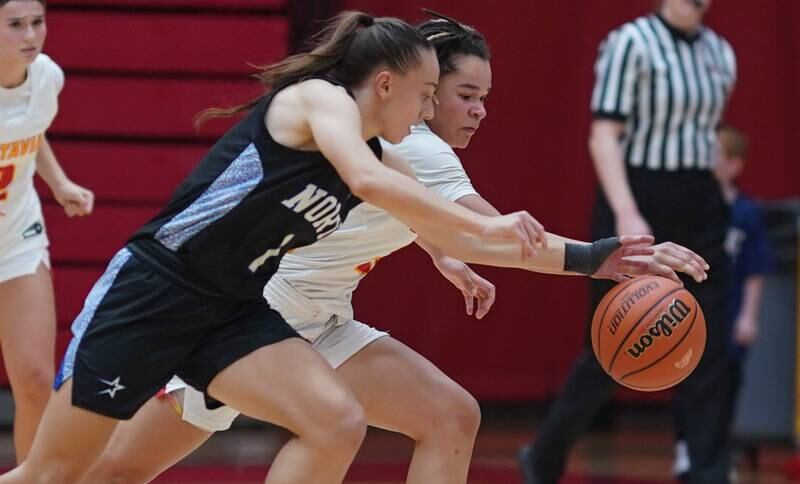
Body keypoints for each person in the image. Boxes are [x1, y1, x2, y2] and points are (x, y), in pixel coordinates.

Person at [78, 12, 710, 484]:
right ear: (411, 86)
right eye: (462, 94)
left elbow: (418, 216)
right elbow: (488, 233)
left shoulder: (399, 146)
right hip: (254, 315)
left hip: (317, 319)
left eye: (484, 97)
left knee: (449, 417)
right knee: (107, 473)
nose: (477, 111)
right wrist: (600, 256)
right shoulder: (419, 149)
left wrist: (442, 251)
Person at [0, 11, 553, 484]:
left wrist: (449, 249)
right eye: (429, 94)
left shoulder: (387, 155)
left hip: (233, 309)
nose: (430, 110)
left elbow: (409, 207)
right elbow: (368, 182)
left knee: (338, 421)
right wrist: (487, 230)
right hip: (159, 290)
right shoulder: (320, 102)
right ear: (387, 83)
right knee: (59, 474)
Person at [519, 0, 738, 482]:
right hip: (637, 194)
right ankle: (544, 456)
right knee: (611, 344)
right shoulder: (630, 42)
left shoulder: (721, 52)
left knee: (711, 344)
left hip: (700, 203)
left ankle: (707, 470)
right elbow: (603, 135)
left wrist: (721, 194)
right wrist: (626, 211)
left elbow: (706, 135)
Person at [0, 0, 94, 463]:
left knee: (37, 381)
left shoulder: (47, 77)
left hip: (16, 236)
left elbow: (31, 132)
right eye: (15, 25)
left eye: (37, 22)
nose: (31, 35)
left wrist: (59, 183)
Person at [672, 124, 771, 478]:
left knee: (726, 389)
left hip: (730, 315)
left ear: (734, 165)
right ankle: (685, 447)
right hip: (696, 313)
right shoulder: (694, 206)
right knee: (684, 378)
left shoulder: (746, 212)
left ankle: (718, 452)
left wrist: (749, 316)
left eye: (714, 154)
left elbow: (757, 270)